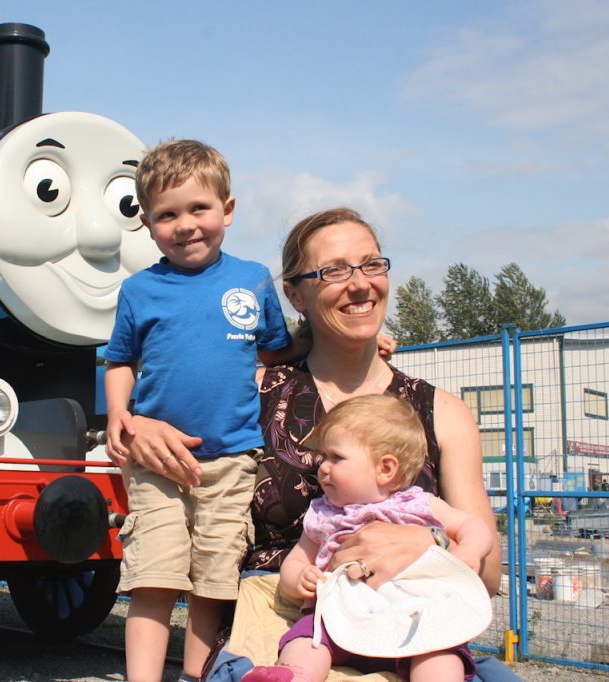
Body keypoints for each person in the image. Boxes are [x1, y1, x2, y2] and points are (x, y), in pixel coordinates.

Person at [121, 207, 512, 681]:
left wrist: (427, 543)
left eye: (371, 264)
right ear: (295, 295)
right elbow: (157, 419)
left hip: (404, 637)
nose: (360, 284)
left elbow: (487, 576)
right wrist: (139, 425)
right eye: (333, 271)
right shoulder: (250, 393)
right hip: (275, 639)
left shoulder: (441, 412)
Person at [103, 139, 303, 682]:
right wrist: (119, 414)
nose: (185, 224)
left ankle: (196, 676)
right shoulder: (139, 290)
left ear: (228, 211)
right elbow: (119, 361)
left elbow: (276, 350)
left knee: (213, 581)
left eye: (199, 208)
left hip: (233, 459)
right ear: (147, 223)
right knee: (153, 577)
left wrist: (350, 337)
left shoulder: (253, 279)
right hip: (156, 464)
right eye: (167, 215)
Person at [243, 394, 495, 682]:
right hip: (338, 617)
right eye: (323, 456)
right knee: (306, 640)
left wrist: (469, 553)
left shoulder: (419, 505)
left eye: (336, 457)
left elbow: (474, 527)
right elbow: (298, 558)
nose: (322, 466)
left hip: (414, 617)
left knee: (441, 652)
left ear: (385, 469)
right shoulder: (324, 513)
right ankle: (293, 675)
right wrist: (299, 578)